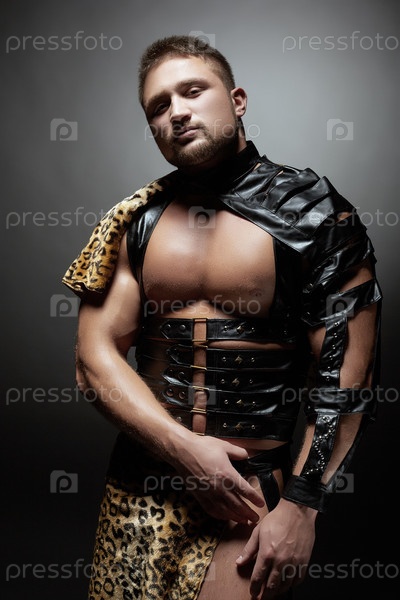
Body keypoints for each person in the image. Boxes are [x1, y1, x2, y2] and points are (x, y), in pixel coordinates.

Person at [62, 35, 382, 600]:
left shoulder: (316, 216)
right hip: (141, 485)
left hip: (246, 495)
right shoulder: (135, 221)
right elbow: (94, 361)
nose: (177, 112)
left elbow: (347, 381)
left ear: (237, 100)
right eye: (158, 106)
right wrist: (183, 450)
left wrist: (302, 506)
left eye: (193, 91)